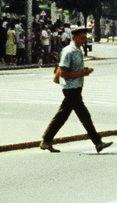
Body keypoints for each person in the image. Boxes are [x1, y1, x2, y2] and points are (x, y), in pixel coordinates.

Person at [41, 23, 112, 153]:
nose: (84, 41)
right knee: (84, 115)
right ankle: (97, 142)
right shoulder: (69, 51)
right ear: (74, 37)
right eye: (82, 38)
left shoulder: (78, 50)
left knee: (62, 115)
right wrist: (82, 73)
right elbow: (63, 73)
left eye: (85, 38)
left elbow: (74, 69)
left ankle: (46, 140)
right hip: (70, 88)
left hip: (76, 87)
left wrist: (83, 71)